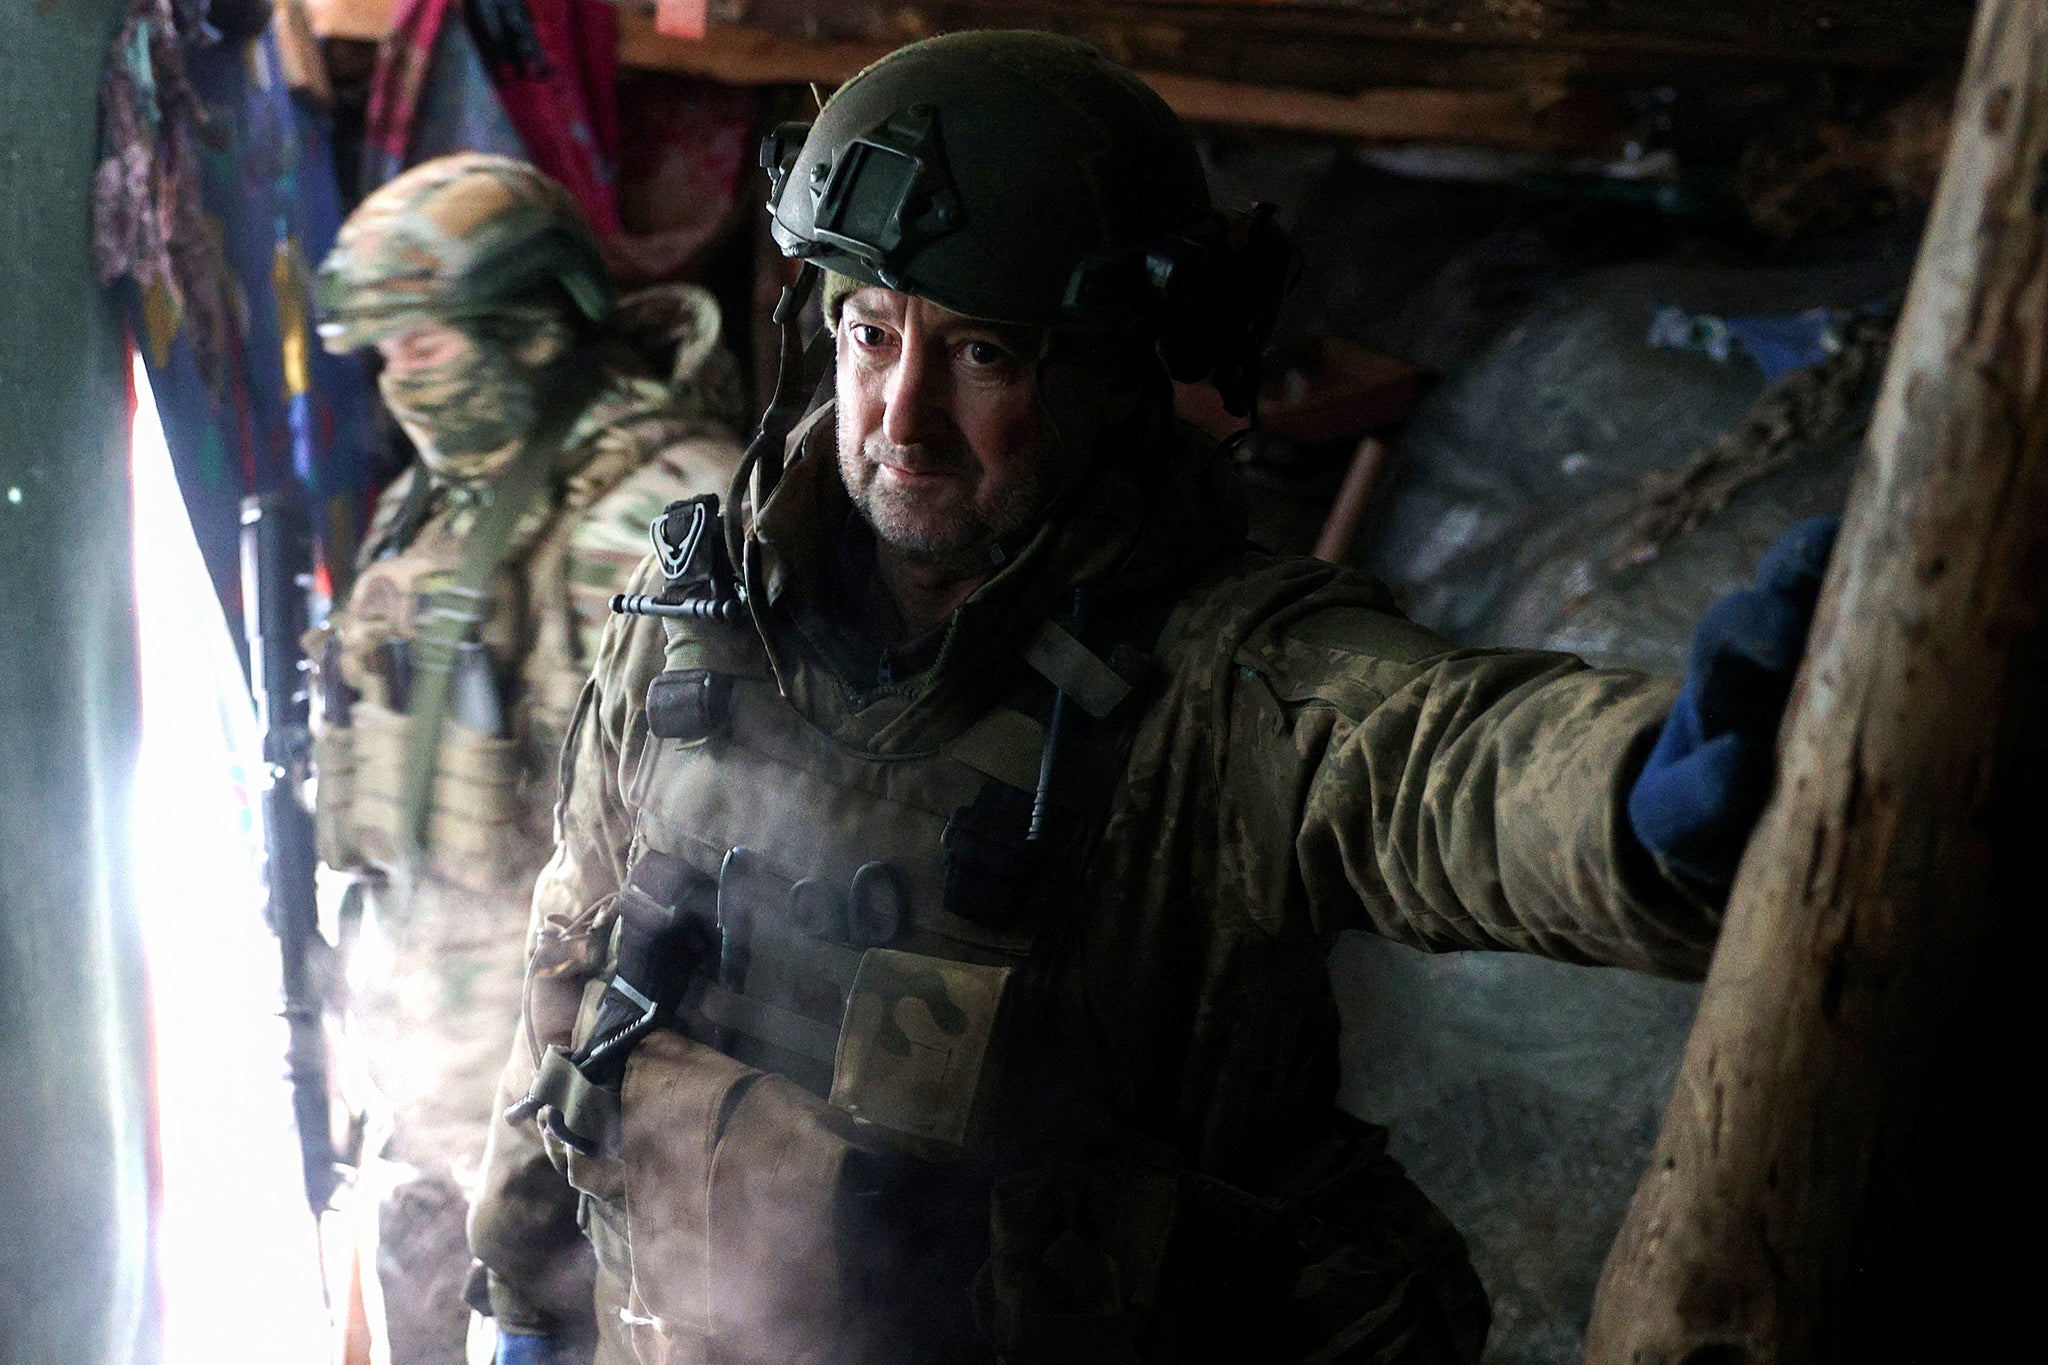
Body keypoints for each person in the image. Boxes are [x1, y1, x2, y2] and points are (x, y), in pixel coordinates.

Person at [467, 33, 1835, 1365]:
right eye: (871, 332)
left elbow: (1443, 759)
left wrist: (1639, 795)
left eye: (985, 353)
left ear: (1116, 375)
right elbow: (575, 973)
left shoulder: (1219, 685)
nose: (902, 416)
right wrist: (520, 1291)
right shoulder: (699, 623)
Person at [307, 153, 746, 1365]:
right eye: (384, 353)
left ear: (538, 332)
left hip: (571, 1161)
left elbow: (703, 897)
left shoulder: (653, 518)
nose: (396, 383)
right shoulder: (455, 499)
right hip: (430, 1113)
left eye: (427, 347)